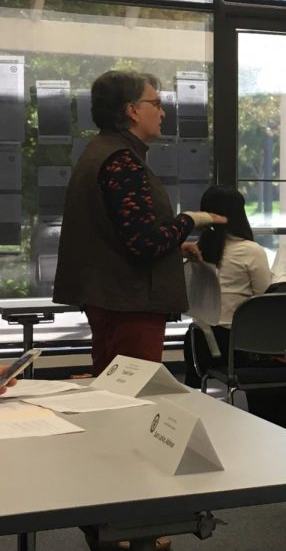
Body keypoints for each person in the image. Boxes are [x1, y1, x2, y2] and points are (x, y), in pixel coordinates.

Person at [54, 70, 224, 377]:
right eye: (156, 103)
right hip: (128, 304)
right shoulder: (122, 160)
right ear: (132, 110)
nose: (162, 112)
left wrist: (176, 244)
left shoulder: (101, 151)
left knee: (111, 396)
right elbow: (144, 243)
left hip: (111, 299)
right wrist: (192, 220)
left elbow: (119, 233)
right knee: (135, 402)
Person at [183, 185, 272, 388]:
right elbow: (264, 299)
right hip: (238, 345)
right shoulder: (251, 251)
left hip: (199, 342)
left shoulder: (195, 250)